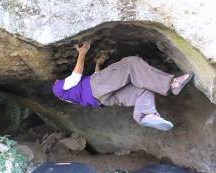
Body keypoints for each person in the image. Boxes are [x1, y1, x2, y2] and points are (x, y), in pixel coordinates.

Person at [52, 42, 193, 131]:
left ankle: (146, 115)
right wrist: (82, 53)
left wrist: (98, 64)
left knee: (142, 90)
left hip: (103, 98)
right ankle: (172, 83)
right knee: (131, 62)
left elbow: (98, 79)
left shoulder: (70, 95)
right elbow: (76, 75)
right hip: (97, 87)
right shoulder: (57, 88)